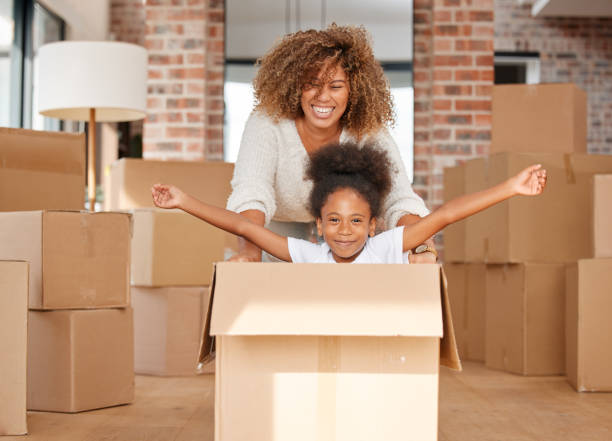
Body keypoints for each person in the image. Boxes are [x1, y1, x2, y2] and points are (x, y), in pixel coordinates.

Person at [226, 24, 436, 263]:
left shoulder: (367, 129)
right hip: (279, 220)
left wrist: (422, 248)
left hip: (344, 224)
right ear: (295, 86)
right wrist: (249, 254)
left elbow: (398, 196)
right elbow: (251, 191)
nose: (323, 97)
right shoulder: (267, 122)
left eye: (335, 86)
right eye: (312, 84)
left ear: (353, 90)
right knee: (275, 280)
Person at [151, 142, 547, 264]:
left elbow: (445, 214)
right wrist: (184, 200)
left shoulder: (387, 246)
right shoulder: (310, 255)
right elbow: (244, 227)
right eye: (335, 221)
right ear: (318, 226)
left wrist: (511, 187)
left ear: (373, 224)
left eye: (356, 221)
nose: (345, 231)